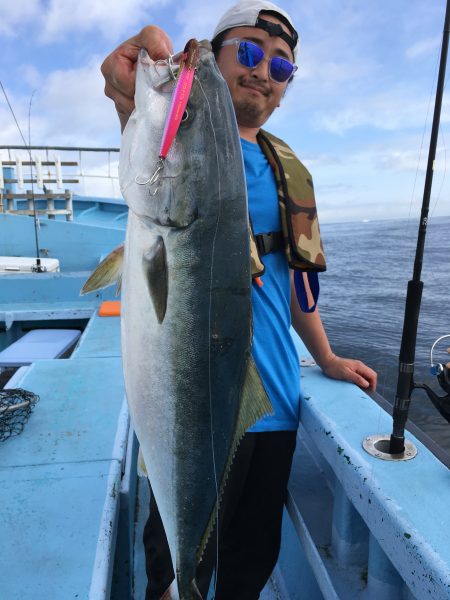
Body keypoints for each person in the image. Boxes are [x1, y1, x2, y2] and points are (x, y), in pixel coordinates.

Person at [101, 2, 378, 598]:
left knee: (251, 565)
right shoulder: (178, 134)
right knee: (174, 567)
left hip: (275, 400)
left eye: (281, 67)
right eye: (249, 52)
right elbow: (137, 110)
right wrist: (129, 92)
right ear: (222, 57)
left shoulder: (291, 169)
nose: (262, 71)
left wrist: (326, 358)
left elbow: (298, 283)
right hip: (193, 396)